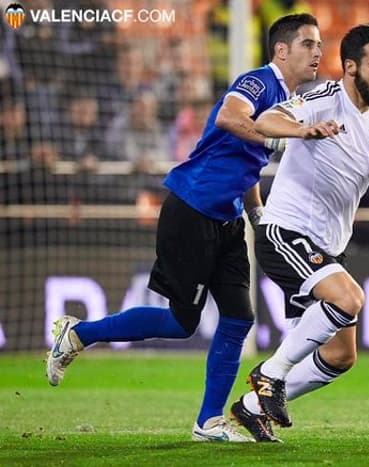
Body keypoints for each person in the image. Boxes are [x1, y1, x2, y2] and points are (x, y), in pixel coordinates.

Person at [45, 13, 323, 443]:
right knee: (181, 322)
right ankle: (78, 334)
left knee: (238, 317)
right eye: (308, 43)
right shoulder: (257, 82)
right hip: (192, 209)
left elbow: (246, 164)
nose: (318, 52)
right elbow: (232, 118)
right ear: (282, 50)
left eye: (319, 44)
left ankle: (208, 422)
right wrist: (284, 137)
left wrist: (256, 214)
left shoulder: (286, 100)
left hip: (228, 219)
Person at [229, 23, 369, 441]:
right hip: (285, 231)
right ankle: (270, 374)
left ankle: (251, 407)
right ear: (350, 67)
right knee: (350, 299)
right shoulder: (324, 99)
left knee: (342, 354)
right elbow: (267, 119)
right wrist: (303, 129)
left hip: (326, 247)